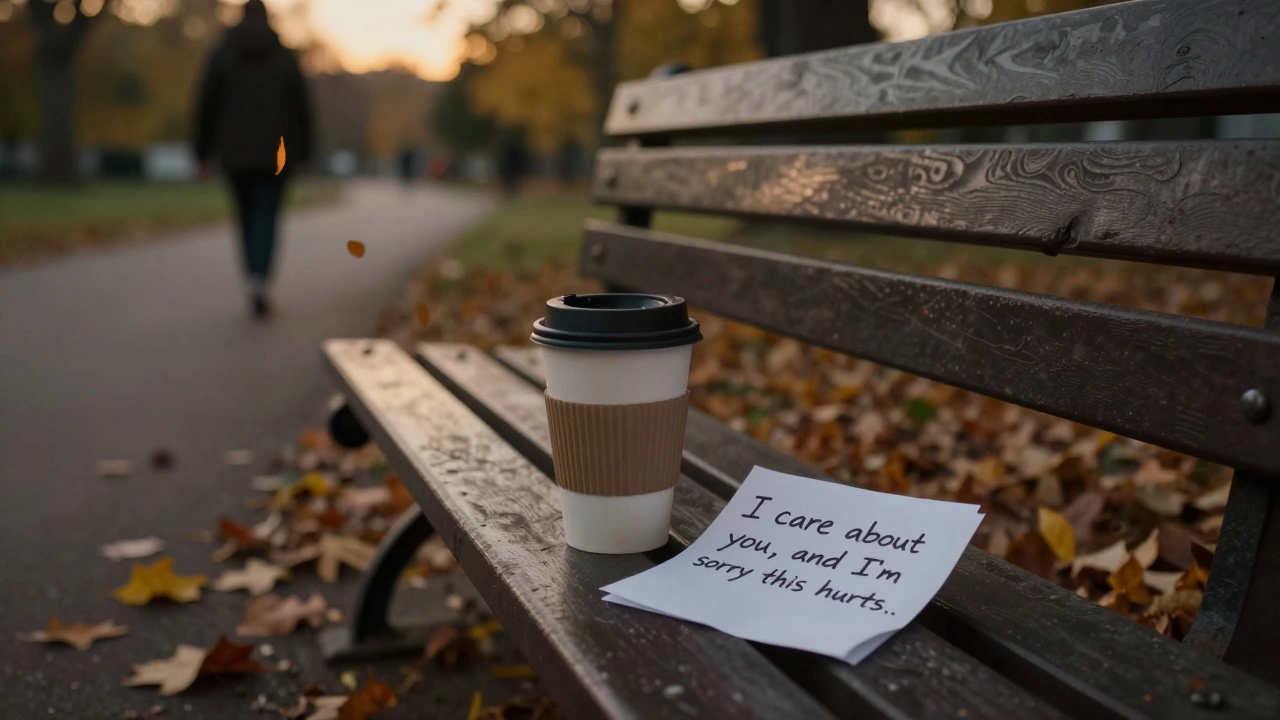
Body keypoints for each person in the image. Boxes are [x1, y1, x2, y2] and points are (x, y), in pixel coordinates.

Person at [193, 0, 312, 319]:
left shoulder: (222, 54)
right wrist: (305, 154)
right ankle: (261, 277)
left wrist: (202, 153)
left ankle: (251, 275)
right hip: (276, 155)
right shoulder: (285, 57)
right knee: (268, 217)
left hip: (234, 153)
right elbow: (302, 109)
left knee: (245, 217)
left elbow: (206, 106)